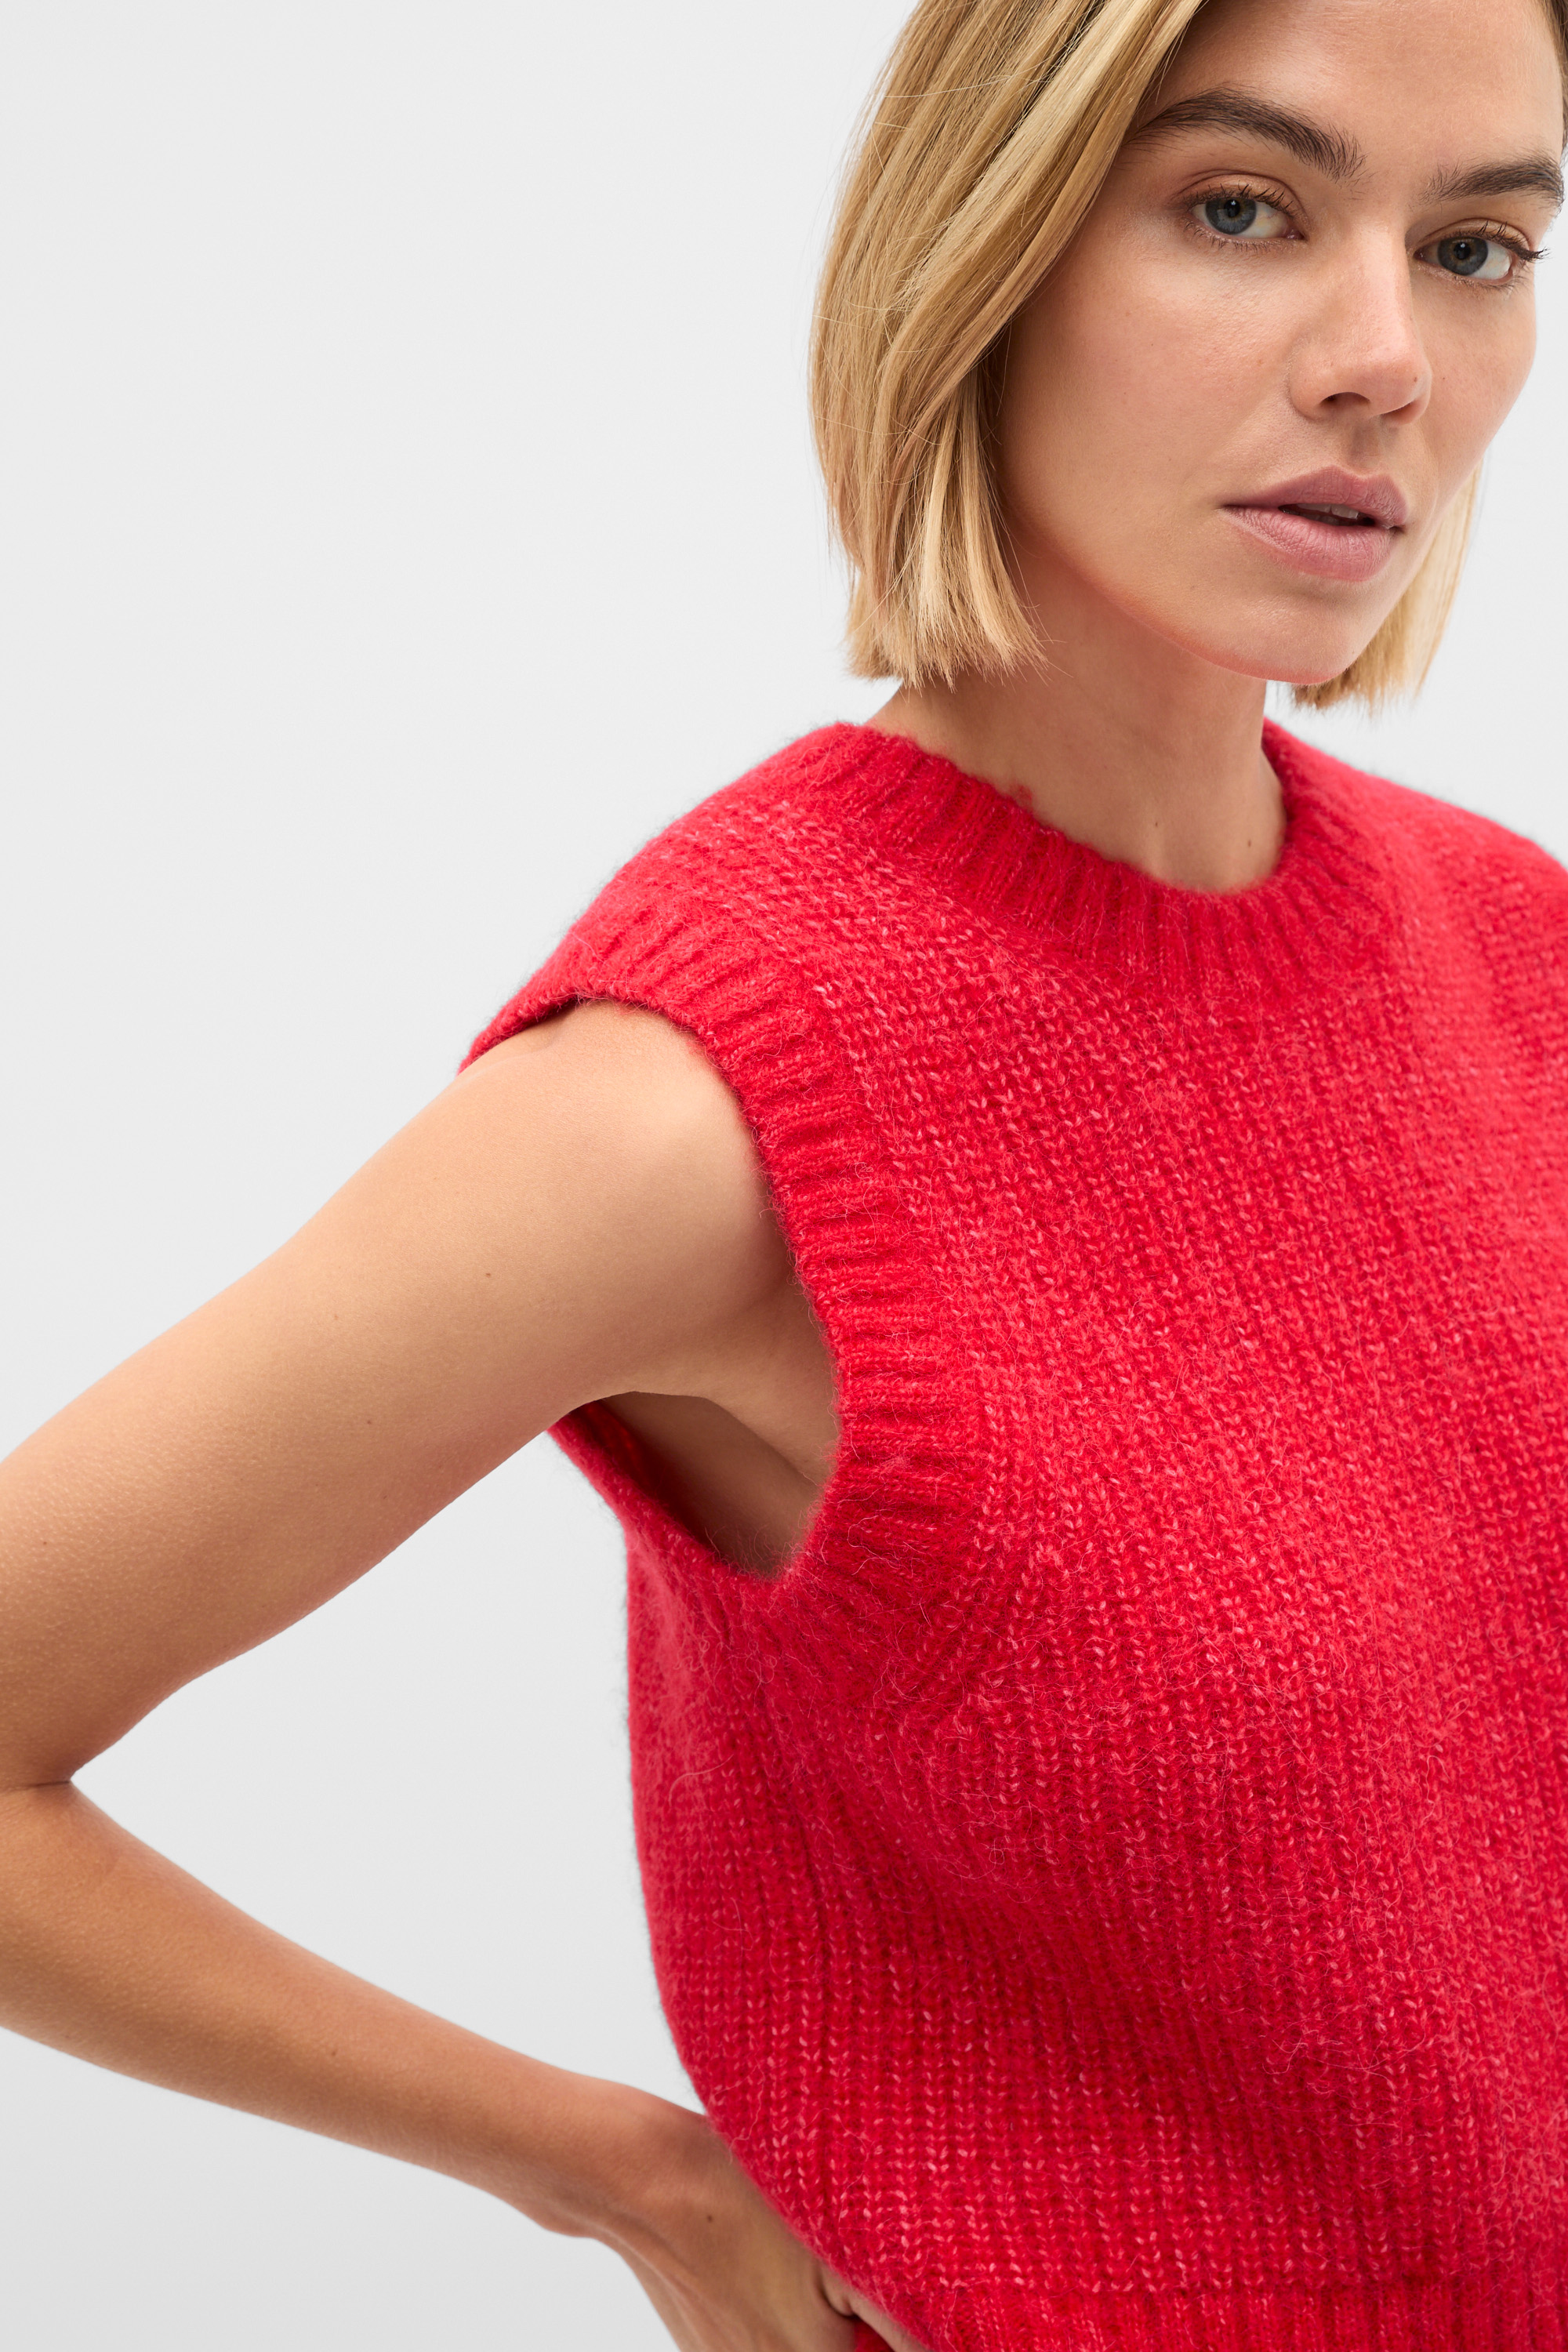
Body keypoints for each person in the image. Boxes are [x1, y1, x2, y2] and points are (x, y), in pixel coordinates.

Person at [3, 0, 1566, 2345]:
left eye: (1476, 247)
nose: (1389, 362)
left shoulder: (1517, 950)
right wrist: (629, 2181)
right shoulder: (704, 1099)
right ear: (982, 249)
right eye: (1243, 209)